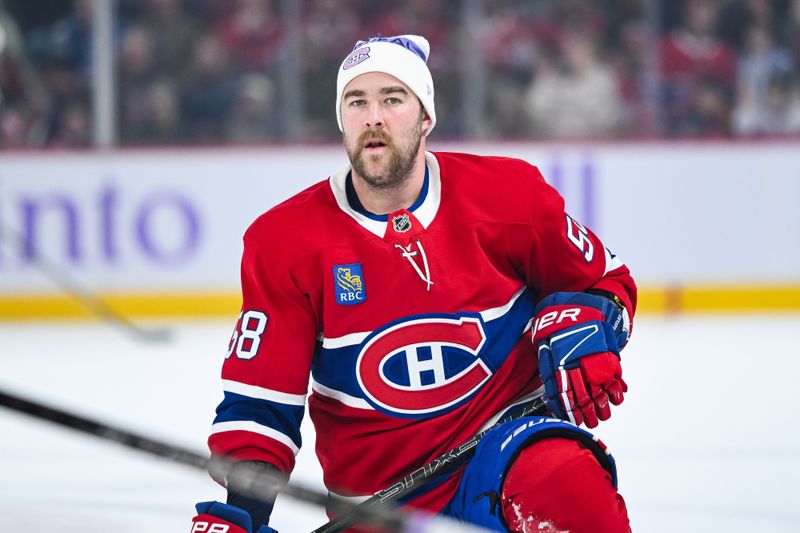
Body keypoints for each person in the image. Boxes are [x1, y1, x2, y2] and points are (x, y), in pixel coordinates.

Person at [191, 34, 636, 533]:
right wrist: (242, 515)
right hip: (377, 509)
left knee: (562, 480)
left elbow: (608, 282)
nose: (373, 117)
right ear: (342, 122)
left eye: (393, 99)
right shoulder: (285, 242)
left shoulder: (510, 198)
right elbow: (262, 405)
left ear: (426, 118)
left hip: (504, 454)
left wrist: (594, 322)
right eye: (356, 102)